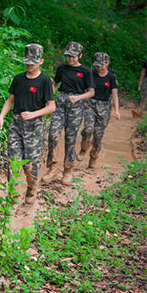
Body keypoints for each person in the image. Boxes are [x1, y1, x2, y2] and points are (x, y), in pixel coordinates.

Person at [0, 44, 56, 204]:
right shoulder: (18, 79)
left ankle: (32, 188)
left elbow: (52, 106)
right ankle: (12, 195)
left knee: (30, 163)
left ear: (41, 61)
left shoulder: (44, 81)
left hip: (34, 125)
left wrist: (33, 114)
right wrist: (1, 116)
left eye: (33, 62)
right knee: (13, 161)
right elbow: (10, 100)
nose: (29, 65)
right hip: (16, 123)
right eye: (27, 61)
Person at [43, 41, 95, 185]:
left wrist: (78, 97)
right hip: (60, 103)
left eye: (73, 56)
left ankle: (68, 170)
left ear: (80, 56)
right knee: (53, 135)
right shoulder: (62, 68)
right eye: (68, 56)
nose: (70, 59)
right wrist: (49, 98)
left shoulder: (85, 71)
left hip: (76, 105)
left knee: (70, 139)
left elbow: (91, 92)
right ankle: (52, 169)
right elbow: (55, 84)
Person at [77, 52, 120, 168]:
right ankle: (83, 148)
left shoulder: (111, 77)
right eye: (97, 66)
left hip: (104, 107)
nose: (99, 68)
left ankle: (93, 157)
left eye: (101, 65)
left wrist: (117, 110)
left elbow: (114, 94)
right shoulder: (92, 74)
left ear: (107, 63)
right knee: (88, 129)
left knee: (98, 136)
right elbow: (84, 89)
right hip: (91, 104)